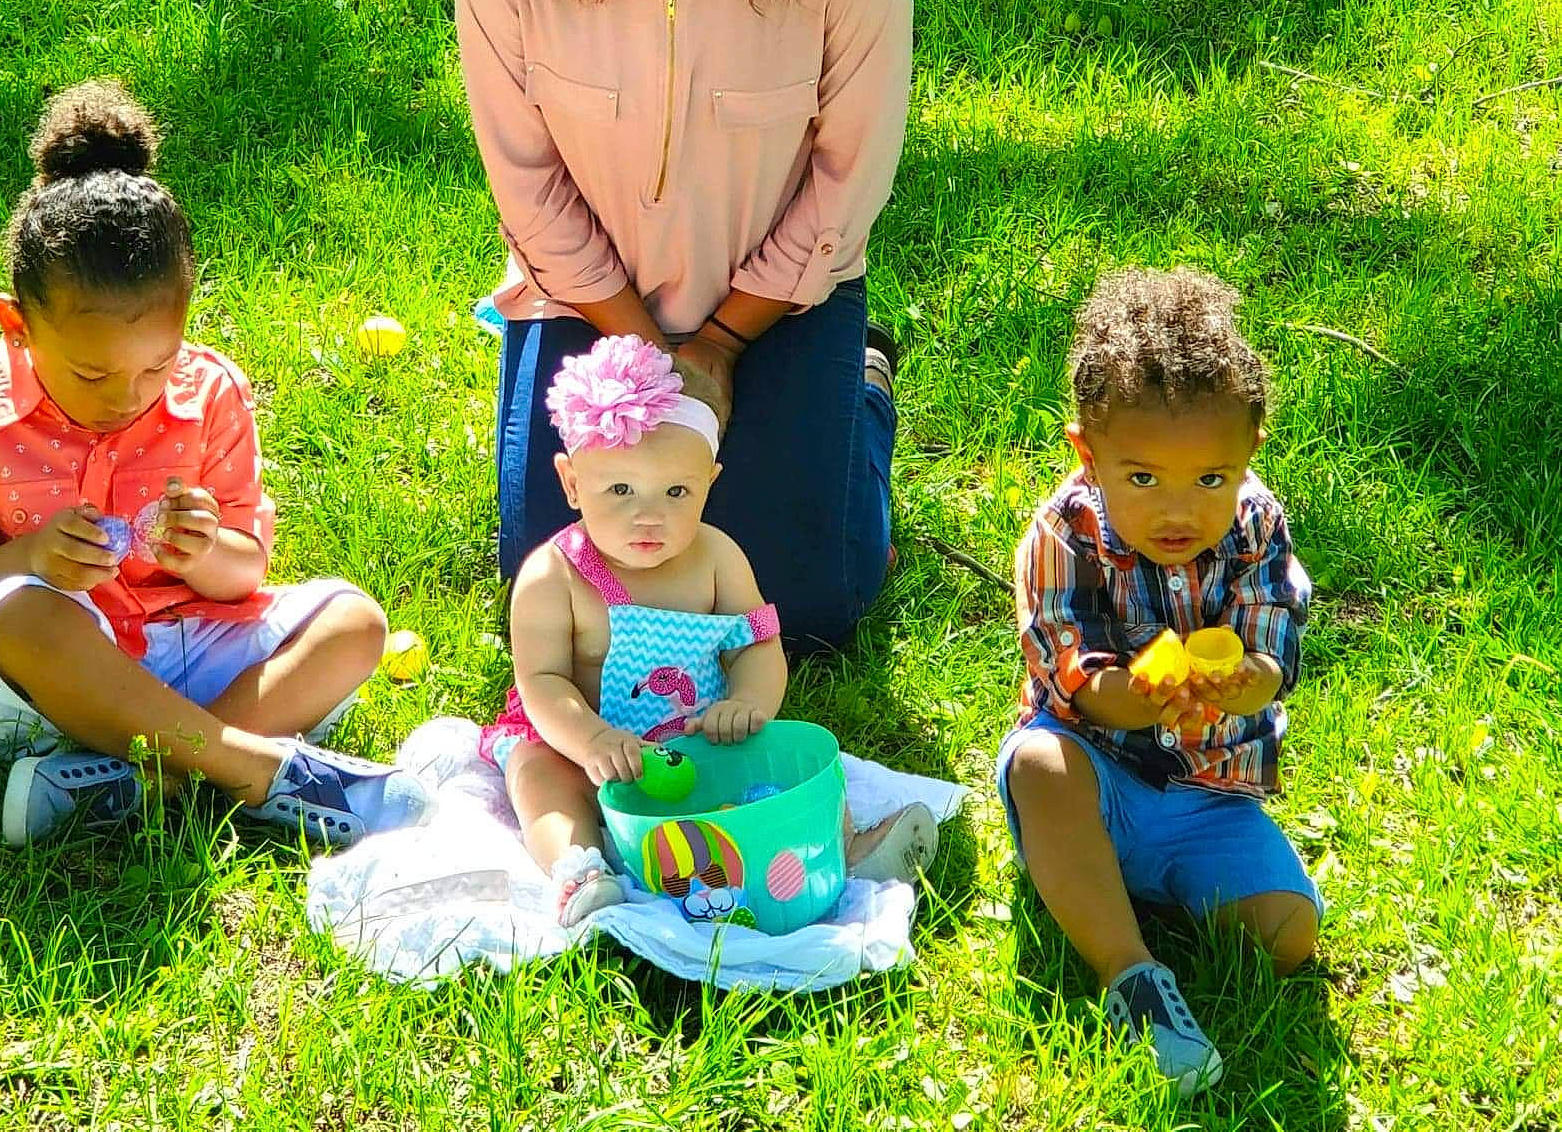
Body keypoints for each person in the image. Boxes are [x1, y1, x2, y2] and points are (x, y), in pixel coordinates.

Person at [455, 0, 913, 652]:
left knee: (806, 610)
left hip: (780, 301)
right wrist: (640, 345)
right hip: (585, 298)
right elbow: (527, 185)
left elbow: (848, 184)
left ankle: (861, 393)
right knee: (578, 596)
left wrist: (716, 343)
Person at [0, 80, 431, 846]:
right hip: (44, 682)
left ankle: (148, 782)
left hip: (188, 646)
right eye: (92, 374)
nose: (126, 399)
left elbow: (245, 572)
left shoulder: (211, 394)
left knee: (354, 623)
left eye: (155, 366)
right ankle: (253, 769)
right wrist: (30, 558)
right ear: (18, 324)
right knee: (26, 611)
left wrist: (204, 552)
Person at [481, 335, 938, 927]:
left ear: (709, 480)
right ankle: (578, 868)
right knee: (537, 773)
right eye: (619, 490)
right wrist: (591, 739)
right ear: (571, 483)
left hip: (695, 741)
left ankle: (841, 846)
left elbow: (757, 644)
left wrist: (748, 704)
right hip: (583, 746)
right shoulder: (554, 575)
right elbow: (541, 680)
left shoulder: (717, 557)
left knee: (778, 759)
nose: (649, 514)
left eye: (677, 492)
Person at [997, 268, 1320, 1095]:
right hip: (1095, 766)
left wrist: (1240, 681)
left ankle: (1117, 883)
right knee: (1039, 767)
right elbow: (1069, 664)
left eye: (1209, 478)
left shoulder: (1256, 523)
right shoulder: (1063, 531)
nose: (1178, 509)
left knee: (1288, 933)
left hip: (1207, 789)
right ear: (1087, 453)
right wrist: (1135, 695)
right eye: (1141, 478)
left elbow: (1270, 640)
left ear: (1248, 451)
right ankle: (1127, 970)